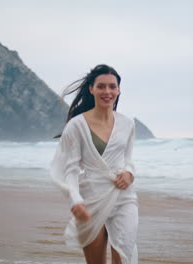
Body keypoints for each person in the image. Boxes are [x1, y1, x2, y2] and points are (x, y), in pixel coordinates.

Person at [50, 64, 138, 264]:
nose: (107, 91)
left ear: (118, 89)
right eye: (101, 86)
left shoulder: (127, 124)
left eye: (112, 86)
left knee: (123, 259)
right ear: (91, 89)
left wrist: (129, 174)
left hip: (124, 197)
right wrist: (75, 200)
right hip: (91, 199)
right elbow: (70, 169)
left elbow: (129, 160)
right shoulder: (76, 125)